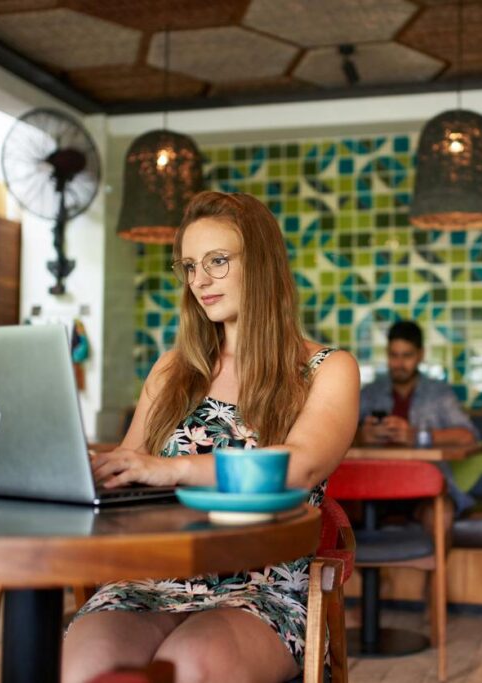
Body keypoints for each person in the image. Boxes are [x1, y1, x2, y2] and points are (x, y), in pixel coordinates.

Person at [63, 191, 360, 683]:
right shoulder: (173, 369)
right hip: (151, 579)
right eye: (190, 266)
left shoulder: (327, 369)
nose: (199, 281)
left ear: (262, 264)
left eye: (217, 261)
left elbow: (302, 463)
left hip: (262, 586)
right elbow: (127, 465)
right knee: (82, 666)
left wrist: (172, 467)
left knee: (189, 666)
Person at [357, 320, 480, 516]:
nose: (399, 364)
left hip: (426, 486)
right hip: (371, 488)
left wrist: (417, 437)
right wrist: (362, 436)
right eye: (393, 355)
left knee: (441, 514)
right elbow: (334, 435)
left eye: (407, 356)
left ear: (420, 355)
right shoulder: (370, 392)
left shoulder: (438, 392)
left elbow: (467, 436)